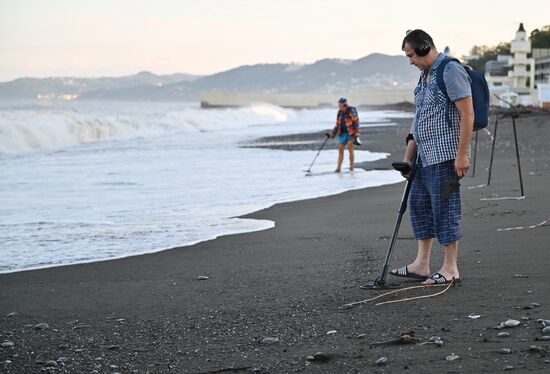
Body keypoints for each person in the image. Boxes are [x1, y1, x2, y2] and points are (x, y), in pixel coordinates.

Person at [390, 29, 473, 285]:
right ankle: (422, 265)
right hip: (424, 157)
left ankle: (450, 269)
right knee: (419, 207)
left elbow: (467, 115)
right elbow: (418, 119)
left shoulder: (450, 71)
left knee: (445, 210)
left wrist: (462, 155)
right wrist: (408, 158)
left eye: (412, 54)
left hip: (446, 155)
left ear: (425, 47)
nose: (410, 61)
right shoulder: (424, 76)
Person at [328, 98, 361, 172]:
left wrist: (357, 132)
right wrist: (333, 133)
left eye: (340, 105)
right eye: (338, 105)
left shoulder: (351, 111)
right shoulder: (339, 112)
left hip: (351, 133)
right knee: (340, 150)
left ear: (345, 105)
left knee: (350, 149)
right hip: (342, 133)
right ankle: (338, 168)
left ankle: (351, 168)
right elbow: (337, 124)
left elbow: (356, 122)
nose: (339, 107)